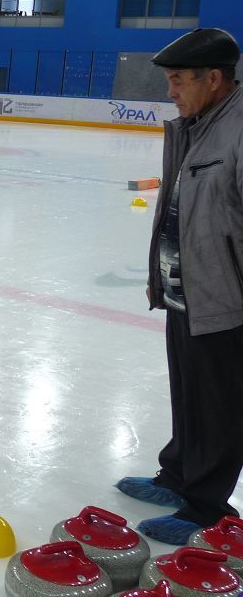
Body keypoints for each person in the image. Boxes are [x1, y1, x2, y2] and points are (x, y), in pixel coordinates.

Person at [117, 27, 243, 545]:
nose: (169, 92)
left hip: (225, 295)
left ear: (213, 78)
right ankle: (178, 474)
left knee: (219, 402)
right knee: (188, 388)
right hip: (184, 285)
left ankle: (206, 506)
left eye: (177, 80)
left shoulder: (237, 128)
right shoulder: (197, 125)